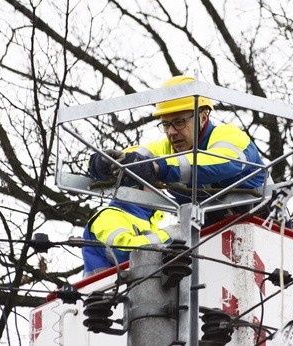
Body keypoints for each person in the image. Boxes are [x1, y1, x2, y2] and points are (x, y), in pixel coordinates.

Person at [82, 75, 267, 274]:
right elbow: (133, 158)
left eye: (179, 122)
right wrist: (102, 163)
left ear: (203, 117)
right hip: (217, 248)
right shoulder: (166, 149)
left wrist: (158, 168)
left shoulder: (228, 136)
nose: (171, 132)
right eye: (165, 124)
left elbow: (219, 163)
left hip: (269, 234)